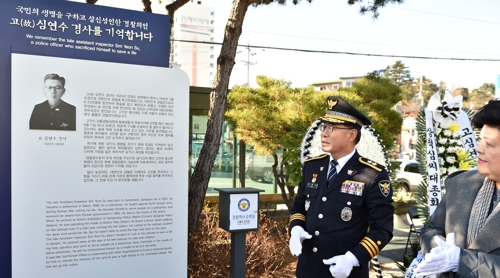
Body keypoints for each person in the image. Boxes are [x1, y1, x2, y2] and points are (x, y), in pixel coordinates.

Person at [289, 96, 394, 278]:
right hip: (308, 269)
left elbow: (382, 229)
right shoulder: (312, 166)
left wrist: (352, 259)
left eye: (332, 128)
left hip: (345, 271)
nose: (324, 133)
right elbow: (299, 207)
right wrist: (296, 228)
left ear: (352, 135)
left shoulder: (373, 174)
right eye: (324, 127)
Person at [415, 99, 500, 277]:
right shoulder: (462, 184)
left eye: (490, 144)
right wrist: (439, 250)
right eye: (480, 140)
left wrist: (461, 261)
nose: (479, 149)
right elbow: (431, 229)